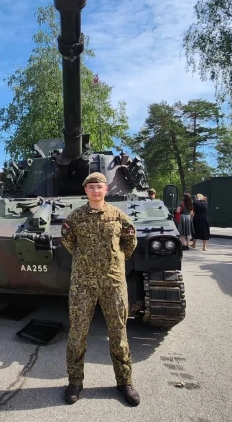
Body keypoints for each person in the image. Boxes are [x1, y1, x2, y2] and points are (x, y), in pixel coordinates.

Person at [60, 172, 140, 407]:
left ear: (106, 190)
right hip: (83, 283)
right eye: (91, 187)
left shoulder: (119, 216)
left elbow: (130, 242)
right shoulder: (75, 217)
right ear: (86, 190)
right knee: (77, 333)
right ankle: (75, 382)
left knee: (118, 332)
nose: (96, 190)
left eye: (100, 187)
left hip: (113, 282)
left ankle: (124, 381)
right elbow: (68, 241)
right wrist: (87, 261)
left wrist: (114, 260)